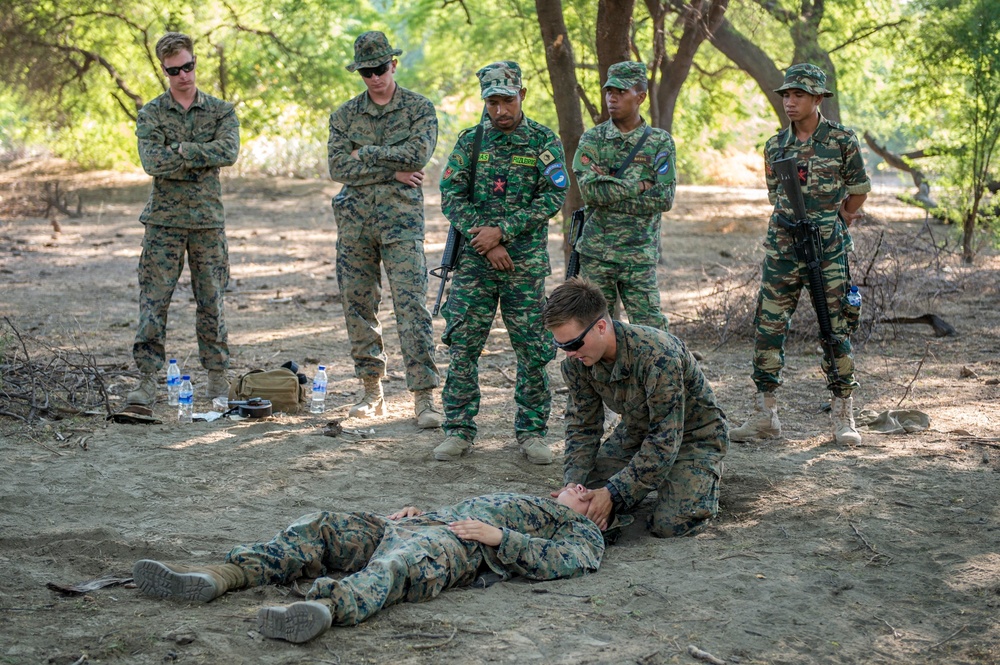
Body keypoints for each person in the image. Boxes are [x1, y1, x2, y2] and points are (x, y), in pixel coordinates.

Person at [132, 488, 604, 644]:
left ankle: (325, 610)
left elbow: (572, 562)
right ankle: (221, 576)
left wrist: (502, 538)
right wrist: (417, 512)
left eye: (588, 493)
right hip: (423, 526)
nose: (577, 486)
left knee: (396, 566)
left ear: (598, 515)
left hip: (457, 549)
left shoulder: (579, 530)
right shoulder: (530, 499)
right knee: (325, 525)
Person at [433, 61, 568, 464]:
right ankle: (458, 430)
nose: (500, 110)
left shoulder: (543, 141)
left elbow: (552, 197)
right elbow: (450, 194)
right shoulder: (471, 141)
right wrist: (486, 239)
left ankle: (532, 433)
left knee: (532, 350)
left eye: (507, 100)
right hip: (475, 265)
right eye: (492, 102)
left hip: (523, 267)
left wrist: (504, 231)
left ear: (522, 95)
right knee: (462, 347)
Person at [729, 63, 871, 446]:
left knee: (834, 327)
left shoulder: (841, 139)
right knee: (768, 327)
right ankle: (765, 414)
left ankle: (843, 414)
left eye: (799, 95)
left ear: (818, 99)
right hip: (783, 247)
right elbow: (775, 197)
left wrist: (838, 217)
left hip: (826, 249)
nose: (790, 102)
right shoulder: (776, 146)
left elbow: (859, 188)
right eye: (787, 95)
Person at [543, 277, 729, 538]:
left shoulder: (658, 356)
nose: (569, 353)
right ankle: (655, 479)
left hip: (693, 436)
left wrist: (614, 492)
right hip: (639, 431)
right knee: (585, 503)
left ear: (600, 327)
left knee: (671, 525)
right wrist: (573, 482)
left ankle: (701, 473)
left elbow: (665, 439)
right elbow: (582, 426)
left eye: (573, 344)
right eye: (560, 345)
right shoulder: (576, 364)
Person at [326, 31, 443, 429]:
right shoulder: (344, 116)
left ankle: (424, 397)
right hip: (355, 225)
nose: (374, 78)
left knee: (412, 308)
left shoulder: (418, 108)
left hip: (401, 225)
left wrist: (367, 154)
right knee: (358, 308)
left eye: (380, 69)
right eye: (365, 72)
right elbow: (338, 168)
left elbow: (419, 154)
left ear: (393, 64)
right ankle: (371, 392)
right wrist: (392, 171)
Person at [127, 32, 240, 406]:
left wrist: (180, 149)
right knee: (154, 301)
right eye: (174, 70)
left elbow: (228, 151)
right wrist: (200, 157)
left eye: (188, 66)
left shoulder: (221, 111)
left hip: (207, 222)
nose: (183, 76)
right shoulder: (152, 113)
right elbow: (152, 162)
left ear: (195, 62)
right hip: (164, 222)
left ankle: (217, 376)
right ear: (164, 70)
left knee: (212, 301)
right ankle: (146, 380)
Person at [571, 61, 676, 331]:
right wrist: (639, 185)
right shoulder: (593, 139)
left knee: (652, 331)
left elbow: (664, 198)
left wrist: (609, 189)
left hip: (639, 255)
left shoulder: (659, 142)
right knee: (594, 329)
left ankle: (654, 375)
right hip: (597, 254)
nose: (611, 98)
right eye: (609, 92)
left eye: (620, 91)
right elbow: (590, 191)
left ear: (640, 97)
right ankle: (603, 376)